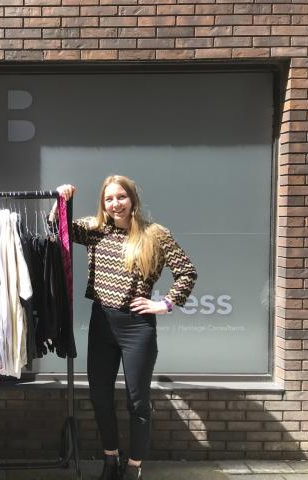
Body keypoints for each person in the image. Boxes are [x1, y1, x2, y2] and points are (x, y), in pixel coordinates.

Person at [50, 176, 197, 480]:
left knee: (137, 401)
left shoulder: (154, 234)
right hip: (102, 323)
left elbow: (186, 271)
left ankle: (134, 466)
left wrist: (164, 304)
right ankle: (110, 459)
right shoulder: (94, 230)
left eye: (121, 197)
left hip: (137, 327)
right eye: (109, 199)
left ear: (132, 200)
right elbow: (57, 229)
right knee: (99, 395)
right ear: (103, 203)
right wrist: (59, 200)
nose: (115, 204)